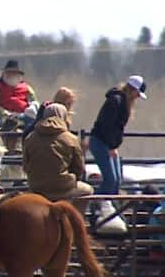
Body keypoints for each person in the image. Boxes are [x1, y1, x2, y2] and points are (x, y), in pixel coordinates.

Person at [89, 75, 147, 234]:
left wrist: (113, 145)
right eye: (137, 93)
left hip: (106, 143)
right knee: (111, 179)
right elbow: (107, 125)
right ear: (133, 90)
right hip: (102, 142)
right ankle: (99, 208)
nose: (137, 97)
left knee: (116, 180)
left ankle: (107, 211)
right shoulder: (116, 101)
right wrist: (111, 145)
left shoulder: (119, 101)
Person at [23, 104, 93, 211]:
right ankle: (76, 219)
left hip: (37, 187)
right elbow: (79, 168)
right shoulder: (70, 138)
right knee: (88, 190)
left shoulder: (30, 137)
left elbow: (25, 166)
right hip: (63, 187)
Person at [0, 60, 38, 128]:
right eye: (8, 73)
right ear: (4, 74)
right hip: (5, 116)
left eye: (14, 73)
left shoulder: (27, 87)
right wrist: (5, 113)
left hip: (23, 115)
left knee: (33, 124)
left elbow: (34, 101)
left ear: (18, 75)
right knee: (6, 125)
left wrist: (32, 107)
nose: (11, 75)